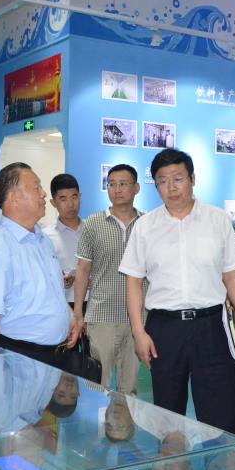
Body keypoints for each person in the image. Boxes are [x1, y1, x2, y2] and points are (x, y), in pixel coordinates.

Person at [119, 148, 235, 434]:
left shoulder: (217, 220)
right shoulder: (145, 227)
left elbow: (231, 276)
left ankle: (217, 462)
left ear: (192, 179)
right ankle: (171, 462)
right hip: (164, 329)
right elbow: (133, 283)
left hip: (211, 327)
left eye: (178, 178)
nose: (171, 187)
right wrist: (139, 333)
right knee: (167, 413)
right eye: (162, 181)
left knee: (218, 413)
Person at [0, 162, 79, 366]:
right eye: (36, 187)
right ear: (14, 198)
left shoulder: (43, 240)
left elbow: (51, 291)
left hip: (57, 355)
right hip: (20, 357)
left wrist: (70, 317)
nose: (43, 194)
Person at [73, 164, 145, 394]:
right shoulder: (93, 223)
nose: (117, 189)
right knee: (96, 386)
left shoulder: (147, 224)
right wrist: (78, 314)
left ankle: (124, 420)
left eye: (123, 184)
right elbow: (82, 270)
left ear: (136, 188)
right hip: (102, 317)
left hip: (138, 319)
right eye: (111, 184)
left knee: (129, 389)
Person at [44, 174, 86, 310]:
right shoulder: (45, 236)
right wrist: (58, 279)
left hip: (93, 303)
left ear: (80, 197)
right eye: (63, 199)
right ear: (53, 202)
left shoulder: (93, 230)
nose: (70, 204)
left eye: (74, 197)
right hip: (61, 304)